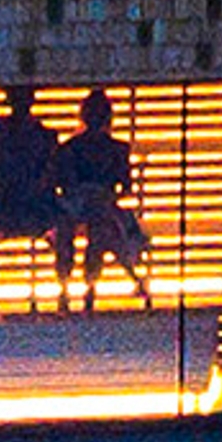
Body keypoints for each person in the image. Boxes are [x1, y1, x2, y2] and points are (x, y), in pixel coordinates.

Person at [58, 87, 153, 307]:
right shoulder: (115, 149)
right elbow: (126, 187)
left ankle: (74, 287)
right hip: (84, 207)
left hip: (92, 208)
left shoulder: (73, 147)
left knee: (100, 226)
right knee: (97, 226)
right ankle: (88, 287)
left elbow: (62, 184)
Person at [0, 86, 69, 304]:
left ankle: (64, 287)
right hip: (7, 204)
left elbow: (53, 173)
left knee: (64, 224)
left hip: (39, 205)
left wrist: (39, 189)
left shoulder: (45, 136)